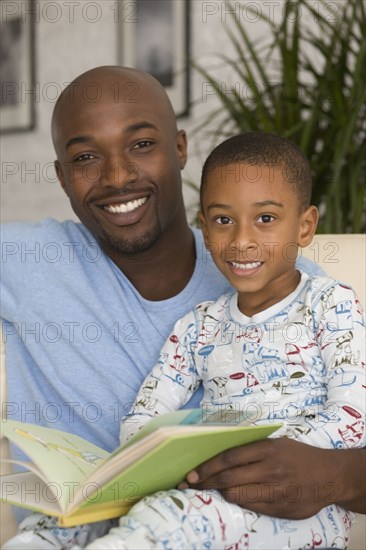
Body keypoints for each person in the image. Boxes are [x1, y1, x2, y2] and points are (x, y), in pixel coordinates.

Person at [1, 67, 364, 547]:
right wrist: (136, 450)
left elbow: (352, 410)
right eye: (86, 156)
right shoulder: (25, 258)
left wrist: (339, 474)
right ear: (62, 176)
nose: (117, 176)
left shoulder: (303, 290)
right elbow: (151, 405)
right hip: (95, 515)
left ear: (179, 149)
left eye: (142, 144)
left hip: (245, 519)